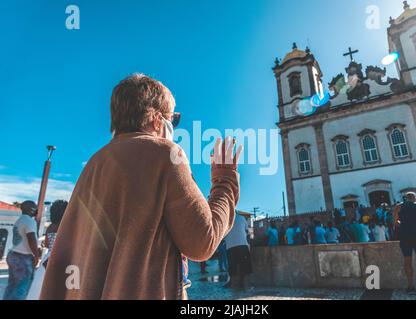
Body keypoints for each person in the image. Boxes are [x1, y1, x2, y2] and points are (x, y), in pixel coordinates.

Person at [40, 74, 242, 300]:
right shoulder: (166, 154)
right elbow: (202, 242)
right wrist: (224, 178)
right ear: (157, 119)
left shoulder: (94, 164)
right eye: (173, 119)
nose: (173, 126)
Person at [27, 200, 68, 300]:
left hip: (47, 259)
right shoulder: (64, 228)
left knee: (38, 289)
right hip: (57, 261)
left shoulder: (50, 227)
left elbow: (46, 244)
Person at [3, 201, 39, 300]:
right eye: (35, 208)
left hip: (14, 254)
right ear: (31, 209)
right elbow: (31, 238)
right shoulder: (30, 221)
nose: (36, 210)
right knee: (21, 289)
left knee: (12, 287)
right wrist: (36, 255)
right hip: (23, 258)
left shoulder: (20, 220)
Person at [224, 214, 251, 290]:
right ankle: (246, 287)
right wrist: (248, 244)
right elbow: (247, 232)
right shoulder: (241, 218)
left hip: (229, 247)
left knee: (232, 269)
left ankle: (234, 288)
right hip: (242, 245)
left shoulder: (225, 219)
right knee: (245, 267)